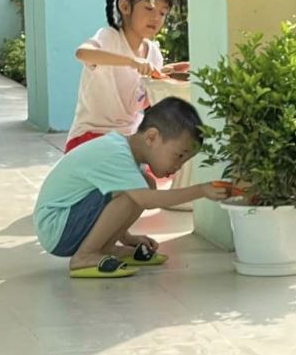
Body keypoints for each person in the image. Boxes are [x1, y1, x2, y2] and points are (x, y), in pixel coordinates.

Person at [34, 97, 233, 280]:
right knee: (134, 195)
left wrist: (127, 237)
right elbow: (146, 200)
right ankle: (85, 256)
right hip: (57, 227)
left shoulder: (127, 153)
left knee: (145, 183)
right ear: (151, 137)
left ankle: (106, 247)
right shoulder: (117, 154)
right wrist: (200, 190)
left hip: (66, 222)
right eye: (179, 156)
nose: (178, 166)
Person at [65, 0, 184, 154]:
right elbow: (82, 53)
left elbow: (140, 102)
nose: (156, 17)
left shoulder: (153, 54)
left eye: (162, 13)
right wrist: (131, 62)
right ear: (125, 7)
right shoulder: (109, 37)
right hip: (91, 137)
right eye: (149, 8)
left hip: (128, 139)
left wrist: (164, 77)